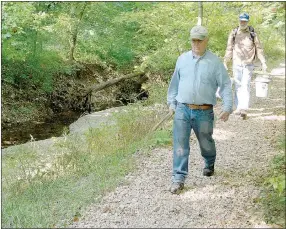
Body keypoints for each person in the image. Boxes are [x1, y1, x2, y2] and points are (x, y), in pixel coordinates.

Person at [167, 25, 233, 194]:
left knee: (206, 142)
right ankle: (178, 178)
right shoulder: (182, 59)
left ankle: (209, 162)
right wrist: (171, 103)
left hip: (204, 111)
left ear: (206, 41)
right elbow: (174, 84)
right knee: (180, 144)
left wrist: (227, 106)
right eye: (193, 40)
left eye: (200, 40)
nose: (196, 43)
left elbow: (225, 85)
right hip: (182, 109)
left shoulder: (215, 62)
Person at [224, 13, 267, 118]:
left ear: (248, 21)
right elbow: (229, 48)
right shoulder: (233, 33)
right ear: (239, 21)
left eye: (245, 21)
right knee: (238, 85)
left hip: (248, 64)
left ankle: (244, 108)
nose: (243, 22)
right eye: (241, 20)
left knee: (245, 84)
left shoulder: (253, 34)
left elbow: (259, 48)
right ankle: (238, 107)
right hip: (236, 63)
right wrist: (225, 62)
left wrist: (263, 62)